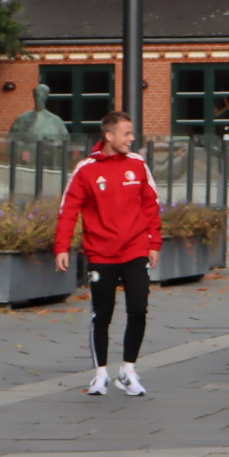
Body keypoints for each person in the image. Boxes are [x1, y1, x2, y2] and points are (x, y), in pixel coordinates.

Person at [53, 110, 164, 396]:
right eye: (126, 133)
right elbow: (68, 210)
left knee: (138, 308)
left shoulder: (138, 165)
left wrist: (154, 243)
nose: (132, 138)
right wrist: (62, 247)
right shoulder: (86, 169)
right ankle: (100, 374)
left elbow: (151, 204)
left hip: (136, 249)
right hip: (101, 253)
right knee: (101, 314)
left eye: (132, 133)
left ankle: (128, 370)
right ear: (109, 135)